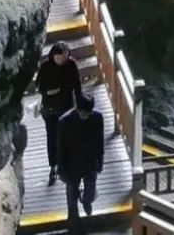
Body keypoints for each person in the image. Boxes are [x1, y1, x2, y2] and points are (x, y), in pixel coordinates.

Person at [57, 91, 104, 232]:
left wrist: (100, 161)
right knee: (71, 199)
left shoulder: (97, 117)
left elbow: (100, 141)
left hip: (90, 163)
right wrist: (62, 171)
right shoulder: (64, 122)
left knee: (90, 192)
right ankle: (74, 225)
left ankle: (86, 200)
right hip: (71, 164)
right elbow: (60, 149)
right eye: (83, 113)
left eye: (88, 113)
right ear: (77, 109)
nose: (86, 116)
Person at [36, 40, 81, 185]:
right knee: (52, 137)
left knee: (68, 135)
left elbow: (77, 86)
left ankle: (68, 163)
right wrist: (49, 91)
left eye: (65, 57)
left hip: (66, 107)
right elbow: (39, 86)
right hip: (49, 108)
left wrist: (80, 105)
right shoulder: (45, 67)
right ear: (53, 56)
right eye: (60, 57)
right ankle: (53, 166)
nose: (63, 60)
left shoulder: (71, 65)